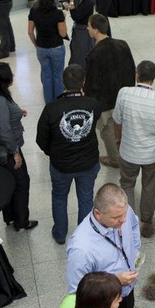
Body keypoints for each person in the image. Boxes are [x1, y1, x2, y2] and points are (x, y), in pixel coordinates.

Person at [36, 64, 101, 245]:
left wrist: (53, 153)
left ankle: (59, 233)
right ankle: (83, 236)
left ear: (62, 82)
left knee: (59, 198)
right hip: (88, 163)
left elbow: (41, 139)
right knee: (86, 198)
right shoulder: (93, 104)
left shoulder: (51, 108)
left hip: (61, 165)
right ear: (84, 82)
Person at [66, 184, 140, 308]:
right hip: (104, 305)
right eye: (116, 217)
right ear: (98, 214)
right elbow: (79, 294)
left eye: (124, 214)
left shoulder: (122, 210)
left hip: (127, 292)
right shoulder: (81, 249)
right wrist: (115, 281)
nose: (124, 220)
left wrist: (133, 252)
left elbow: (134, 224)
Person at [113, 61, 155, 227]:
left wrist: (118, 139)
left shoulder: (124, 93)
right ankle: (147, 218)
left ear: (136, 76)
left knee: (127, 184)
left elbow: (117, 119)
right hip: (151, 155)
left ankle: (129, 221)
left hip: (128, 151)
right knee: (149, 185)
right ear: (153, 78)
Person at [0, 62, 36, 231]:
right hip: (6, 150)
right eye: (11, 74)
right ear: (4, 80)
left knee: (8, 182)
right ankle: (21, 221)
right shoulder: (0, 102)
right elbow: (5, 131)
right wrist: (15, 153)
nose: (13, 75)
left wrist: (17, 113)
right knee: (22, 183)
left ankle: (10, 216)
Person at [85, 13, 135, 169]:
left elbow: (92, 84)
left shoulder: (94, 54)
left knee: (107, 130)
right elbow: (131, 69)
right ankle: (126, 152)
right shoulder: (123, 44)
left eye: (89, 26)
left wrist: (89, 102)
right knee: (122, 126)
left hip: (105, 101)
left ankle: (114, 159)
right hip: (124, 95)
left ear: (96, 30)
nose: (87, 28)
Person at [28, 0, 67, 104]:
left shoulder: (33, 12)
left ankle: (49, 104)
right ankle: (59, 103)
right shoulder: (58, 14)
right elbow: (63, 33)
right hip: (56, 47)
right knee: (58, 76)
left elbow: (30, 32)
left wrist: (36, 45)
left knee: (46, 76)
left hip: (41, 48)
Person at [67, 0, 96, 67]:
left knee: (81, 55)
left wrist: (71, 2)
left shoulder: (89, 1)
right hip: (78, 30)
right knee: (75, 52)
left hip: (83, 32)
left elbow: (76, 16)